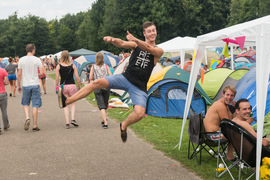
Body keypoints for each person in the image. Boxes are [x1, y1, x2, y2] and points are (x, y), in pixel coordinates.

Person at [58, 21, 164, 142]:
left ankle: (124, 125)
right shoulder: (135, 46)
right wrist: (113, 40)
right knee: (96, 83)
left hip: (139, 87)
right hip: (125, 78)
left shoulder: (159, 51)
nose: (152, 33)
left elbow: (149, 48)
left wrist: (136, 39)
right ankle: (67, 101)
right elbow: (122, 43)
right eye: (149, 31)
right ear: (144, 33)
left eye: (153, 30)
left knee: (140, 113)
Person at [204, 86, 237, 161]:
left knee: (235, 132)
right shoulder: (220, 105)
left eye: (232, 95)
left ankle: (230, 154)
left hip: (214, 133)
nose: (229, 97)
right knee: (236, 134)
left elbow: (232, 118)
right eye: (227, 95)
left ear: (234, 97)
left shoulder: (225, 105)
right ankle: (230, 155)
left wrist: (236, 109)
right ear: (223, 94)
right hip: (212, 136)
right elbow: (228, 124)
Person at [17, 43, 44, 131]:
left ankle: (27, 118)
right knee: (35, 105)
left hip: (25, 84)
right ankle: (35, 125)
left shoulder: (21, 60)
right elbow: (42, 72)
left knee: (25, 103)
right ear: (33, 50)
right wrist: (37, 74)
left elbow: (19, 74)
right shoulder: (37, 60)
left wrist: (18, 85)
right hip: (35, 84)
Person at [55, 50, 81, 129]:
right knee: (73, 103)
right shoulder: (73, 65)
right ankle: (73, 119)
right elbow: (77, 77)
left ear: (61, 57)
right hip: (72, 86)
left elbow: (56, 79)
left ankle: (67, 123)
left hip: (64, 86)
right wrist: (79, 86)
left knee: (65, 104)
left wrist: (56, 87)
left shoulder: (58, 66)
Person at [89, 52, 112, 129]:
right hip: (106, 86)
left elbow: (90, 77)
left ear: (96, 58)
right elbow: (110, 76)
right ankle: (103, 119)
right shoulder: (106, 66)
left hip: (97, 86)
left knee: (101, 105)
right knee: (105, 104)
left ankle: (105, 122)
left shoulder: (93, 67)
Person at [0, 67, 10, 134]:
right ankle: (6, 125)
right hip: (2, 92)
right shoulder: (3, 70)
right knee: (4, 110)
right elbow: (7, 82)